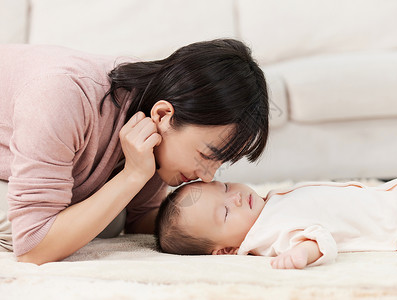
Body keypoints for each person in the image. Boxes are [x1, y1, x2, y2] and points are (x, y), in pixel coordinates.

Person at [0, 39, 269, 264]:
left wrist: (258, 227)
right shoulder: (61, 99)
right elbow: (32, 248)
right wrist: (132, 175)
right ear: (163, 114)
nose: (209, 177)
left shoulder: (155, 124)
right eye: (207, 155)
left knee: (113, 218)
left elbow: (141, 219)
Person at [155, 175, 397, 269]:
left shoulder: (269, 204)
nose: (234, 198)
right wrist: (301, 255)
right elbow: (318, 239)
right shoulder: (267, 235)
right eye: (225, 213)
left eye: (225, 188)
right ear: (226, 250)